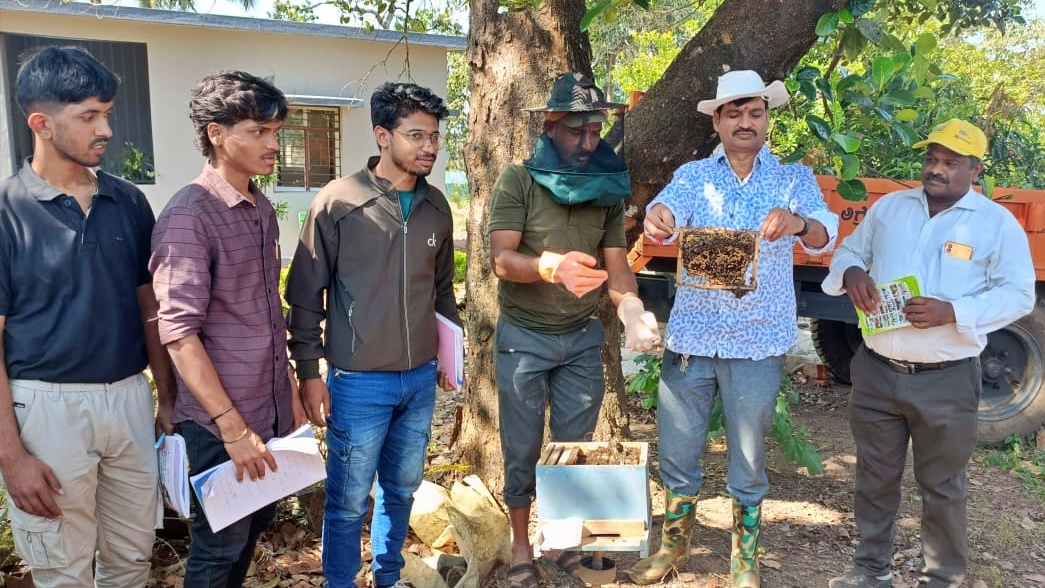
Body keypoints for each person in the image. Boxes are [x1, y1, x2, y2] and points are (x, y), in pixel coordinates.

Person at [629, 70, 838, 588]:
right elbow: (667, 211)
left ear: (767, 120)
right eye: (735, 113)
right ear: (717, 121)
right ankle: (674, 545)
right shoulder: (695, 175)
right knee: (678, 447)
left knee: (748, 453)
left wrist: (797, 224)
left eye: (756, 112)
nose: (746, 122)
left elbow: (823, 229)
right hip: (692, 338)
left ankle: (744, 556)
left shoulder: (792, 179)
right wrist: (658, 216)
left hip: (757, 340)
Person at [824, 119, 1035, 588]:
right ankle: (870, 573)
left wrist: (953, 311)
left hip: (947, 379)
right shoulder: (890, 208)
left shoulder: (995, 224)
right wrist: (854, 272)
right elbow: (848, 252)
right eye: (931, 159)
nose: (936, 170)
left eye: (950, 163)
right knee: (874, 482)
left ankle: (942, 578)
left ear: (975, 170)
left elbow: (1019, 294)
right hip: (877, 374)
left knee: (942, 488)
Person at [0, 45, 175, 587]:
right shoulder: (7, 213)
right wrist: (11, 457)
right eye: (88, 116)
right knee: (63, 571)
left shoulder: (128, 202)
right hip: (46, 410)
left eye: (107, 113)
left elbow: (151, 310)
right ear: (41, 124)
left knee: (131, 558)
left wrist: (166, 397)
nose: (105, 129)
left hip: (128, 397)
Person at [486, 72, 661, 588]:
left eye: (595, 132)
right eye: (576, 132)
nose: (588, 143)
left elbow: (617, 262)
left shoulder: (605, 186)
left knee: (574, 446)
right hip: (525, 336)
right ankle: (522, 544)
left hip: (581, 338)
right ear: (550, 124)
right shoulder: (516, 180)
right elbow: (501, 259)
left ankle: (562, 541)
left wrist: (630, 308)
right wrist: (550, 267)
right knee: (520, 447)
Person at [284, 81, 460, 588]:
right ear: (383, 135)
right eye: (416, 135)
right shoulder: (339, 202)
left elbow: (443, 291)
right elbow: (303, 297)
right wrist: (309, 373)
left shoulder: (437, 208)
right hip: (358, 382)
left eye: (434, 136)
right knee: (346, 500)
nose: (429, 146)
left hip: (420, 380)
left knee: (401, 489)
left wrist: (452, 357)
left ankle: (388, 576)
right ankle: (340, 582)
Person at [149, 70, 305, 587]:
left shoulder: (258, 207)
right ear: (216, 134)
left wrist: (291, 394)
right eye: (258, 131)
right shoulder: (189, 216)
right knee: (219, 550)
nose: (274, 144)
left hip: (267, 406)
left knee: (253, 527)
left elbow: (261, 313)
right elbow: (179, 335)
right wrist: (232, 428)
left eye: (275, 131)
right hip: (222, 422)